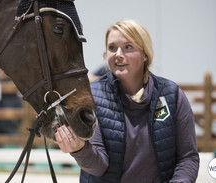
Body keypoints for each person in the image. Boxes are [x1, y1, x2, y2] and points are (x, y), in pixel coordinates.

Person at [55, 19, 199, 182]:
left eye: (128, 47)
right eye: (112, 48)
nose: (118, 54)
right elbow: (99, 167)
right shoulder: (91, 97)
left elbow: (188, 158)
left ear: (145, 54)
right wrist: (80, 150)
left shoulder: (172, 94)